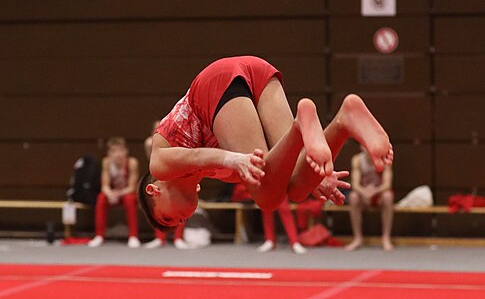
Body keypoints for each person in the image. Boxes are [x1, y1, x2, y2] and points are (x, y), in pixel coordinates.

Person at [138, 56, 393, 232]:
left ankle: (299, 126)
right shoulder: (219, 175)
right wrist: (315, 175)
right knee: (296, 188)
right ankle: (344, 120)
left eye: (168, 217)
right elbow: (278, 167)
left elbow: (196, 157)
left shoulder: (159, 165)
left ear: (154, 191)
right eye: (176, 223)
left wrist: (233, 159)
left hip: (216, 84)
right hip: (257, 73)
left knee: (267, 197)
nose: (181, 220)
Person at [143, 128, 191, 249]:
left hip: (177, 173)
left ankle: (178, 238)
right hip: (160, 174)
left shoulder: (176, 138)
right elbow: (152, 159)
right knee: (160, 206)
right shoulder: (150, 142)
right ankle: (159, 237)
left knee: (180, 205)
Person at [88, 137, 141, 248]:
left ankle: (133, 236)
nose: (118, 154)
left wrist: (118, 193)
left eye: (121, 151)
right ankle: (99, 236)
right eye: (114, 151)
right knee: (101, 197)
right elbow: (105, 186)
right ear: (109, 153)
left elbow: (132, 187)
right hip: (114, 194)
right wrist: (110, 193)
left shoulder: (132, 163)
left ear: (126, 151)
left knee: (129, 199)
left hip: (127, 194)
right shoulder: (106, 162)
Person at [345, 146, 394, 252]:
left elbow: (387, 184)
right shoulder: (357, 160)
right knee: (353, 197)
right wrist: (364, 192)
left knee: (388, 196)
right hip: (363, 195)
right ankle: (357, 238)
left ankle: (386, 238)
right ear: (361, 147)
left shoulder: (384, 160)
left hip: (379, 194)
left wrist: (375, 191)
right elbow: (355, 184)